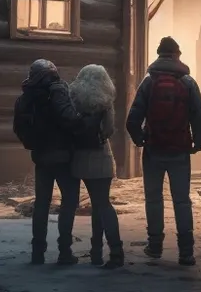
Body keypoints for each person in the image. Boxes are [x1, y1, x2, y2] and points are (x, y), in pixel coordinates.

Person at [126, 36, 201, 266]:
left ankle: (154, 247)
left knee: (153, 199)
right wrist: (198, 143)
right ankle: (186, 252)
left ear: (159, 54)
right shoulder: (188, 82)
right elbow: (199, 116)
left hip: (153, 150)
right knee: (181, 201)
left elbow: (132, 119)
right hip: (179, 150)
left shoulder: (149, 82)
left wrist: (141, 140)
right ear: (177, 55)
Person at [14, 59, 85, 265]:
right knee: (69, 202)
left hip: (41, 157)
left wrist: (34, 144)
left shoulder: (25, 97)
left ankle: (38, 252)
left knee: (42, 204)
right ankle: (64, 251)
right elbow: (70, 119)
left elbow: (18, 127)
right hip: (64, 156)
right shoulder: (57, 93)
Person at [68, 64, 125, 269]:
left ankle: (96, 252)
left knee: (96, 205)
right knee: (102, 204)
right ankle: (115, 251)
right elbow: (108, 130)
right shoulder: (106, 102)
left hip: (80, 157)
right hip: (101, 156)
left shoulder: (74, 98)